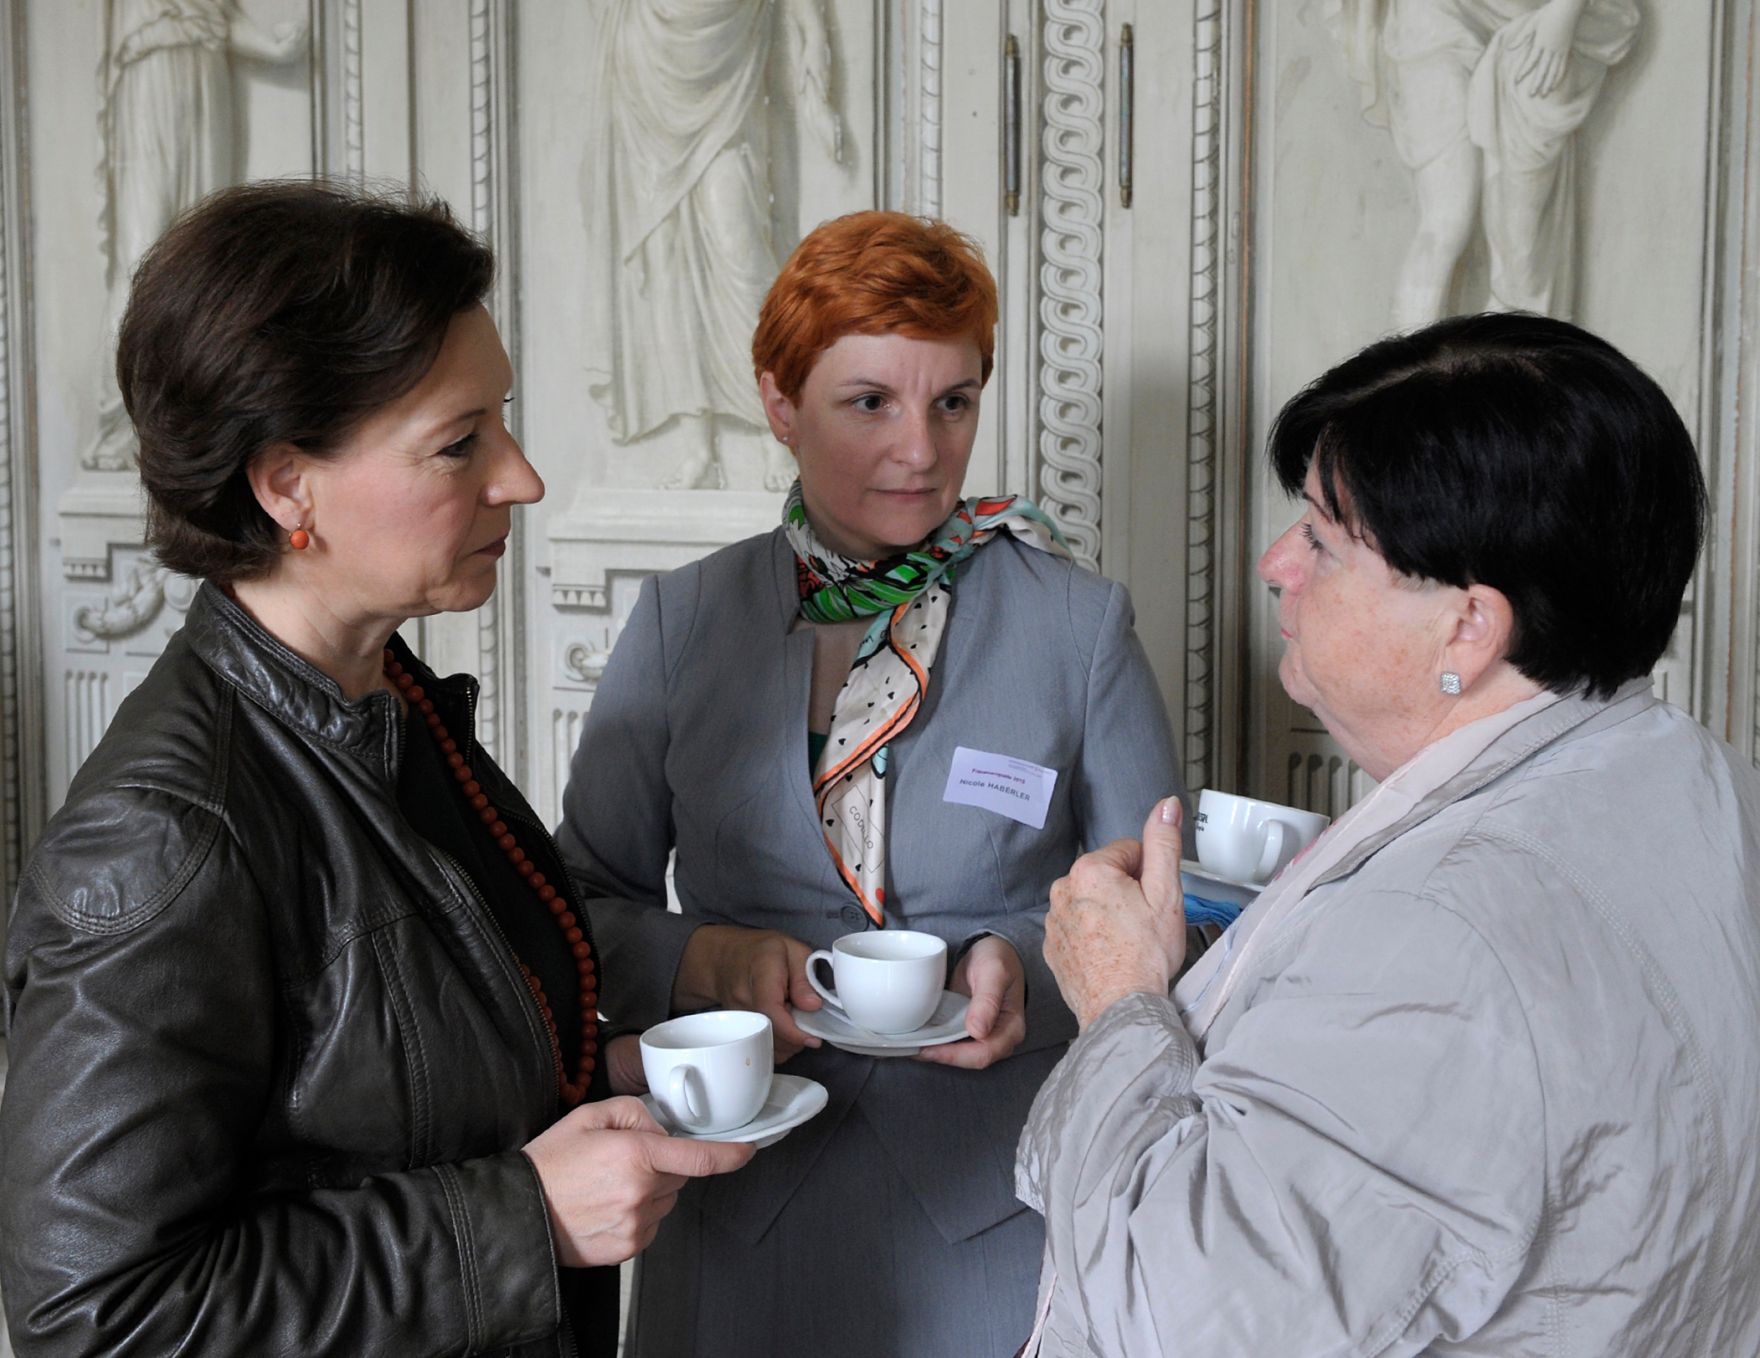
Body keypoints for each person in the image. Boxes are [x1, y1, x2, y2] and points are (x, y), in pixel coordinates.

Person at [0, 180, 752, 1357]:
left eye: (500, 421)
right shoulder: (163, 837)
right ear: (285, 484)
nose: (521, 477)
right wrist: (520, 1218)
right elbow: (96, 1317)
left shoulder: (384, 702)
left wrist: (619, 1075)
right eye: (459, 442)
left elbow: (381, 1087)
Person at [1017, 311, 1760, 1355]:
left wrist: (1119, 1005)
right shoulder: (1706, 782)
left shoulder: (1436, 933)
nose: (1275, 562)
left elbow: (1176, 1317)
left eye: (1322, 538)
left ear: (1468, 626)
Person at [558, 210, 1185, 1356]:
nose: (921, 449)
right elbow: (572, 912)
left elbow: (1158, 908)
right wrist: (703, 958)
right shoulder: (681, 621)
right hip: (734, 1203)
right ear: (778, 401)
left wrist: (1020, 968)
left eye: (952, 401)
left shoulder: (1075, 625)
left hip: (992, 1215)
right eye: (869, 403)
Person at [1327, 0, 1640, 326]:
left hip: (1533, 16)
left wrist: (1565, 11)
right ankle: (1413, 355)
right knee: (1447, 220)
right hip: (1435, 16)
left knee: (1518, 241)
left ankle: (1510, 341)